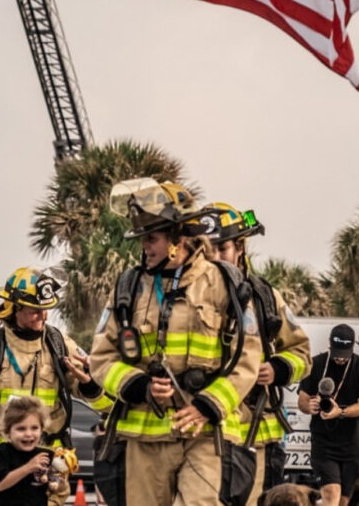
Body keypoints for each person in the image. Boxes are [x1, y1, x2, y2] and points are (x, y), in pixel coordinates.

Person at [90, 178, 261, 506]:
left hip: (207, 434)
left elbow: (247, 356)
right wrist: (139, 387)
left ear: (177, 238)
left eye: (151, 238)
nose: (145, 247)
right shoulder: (129, 287)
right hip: (144, 438)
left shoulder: (224, 284)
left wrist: (210, 405)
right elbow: (102, 357)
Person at [0, 266, 107, 506]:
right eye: (35, 311)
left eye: (45, 310)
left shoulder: (59, 344)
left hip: (47, 461)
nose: (42, 317)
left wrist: (87, 381)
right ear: (14, 308)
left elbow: (93, 388)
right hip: (1, 459)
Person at [203, 202, 311, 505]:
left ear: (240, 248)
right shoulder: (178, 297)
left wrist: (277, 369)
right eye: (205, 249)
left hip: (255, 432)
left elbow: (302, 352)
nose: (213, 257)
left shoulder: (265, 296)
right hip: (201, 430)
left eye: (221, 248)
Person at [298, 323, 359, 506]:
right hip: (324, 443)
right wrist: (310, 406)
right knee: (331, 493)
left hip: (353, 444)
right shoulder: (316, 364)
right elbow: (302, 400)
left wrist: (340, 412)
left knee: (347, 500)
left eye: (345, 355)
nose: (340, 359)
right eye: (337, 354)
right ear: (330, 345)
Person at [0, 396, 52, 506]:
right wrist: (28, 467)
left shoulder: (46, 455)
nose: (28, 434)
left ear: (42, 429)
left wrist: (57, 481)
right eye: (21, 429)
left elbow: (57, 486)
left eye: (34, 428)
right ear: (8, 431)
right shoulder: (2, 451)